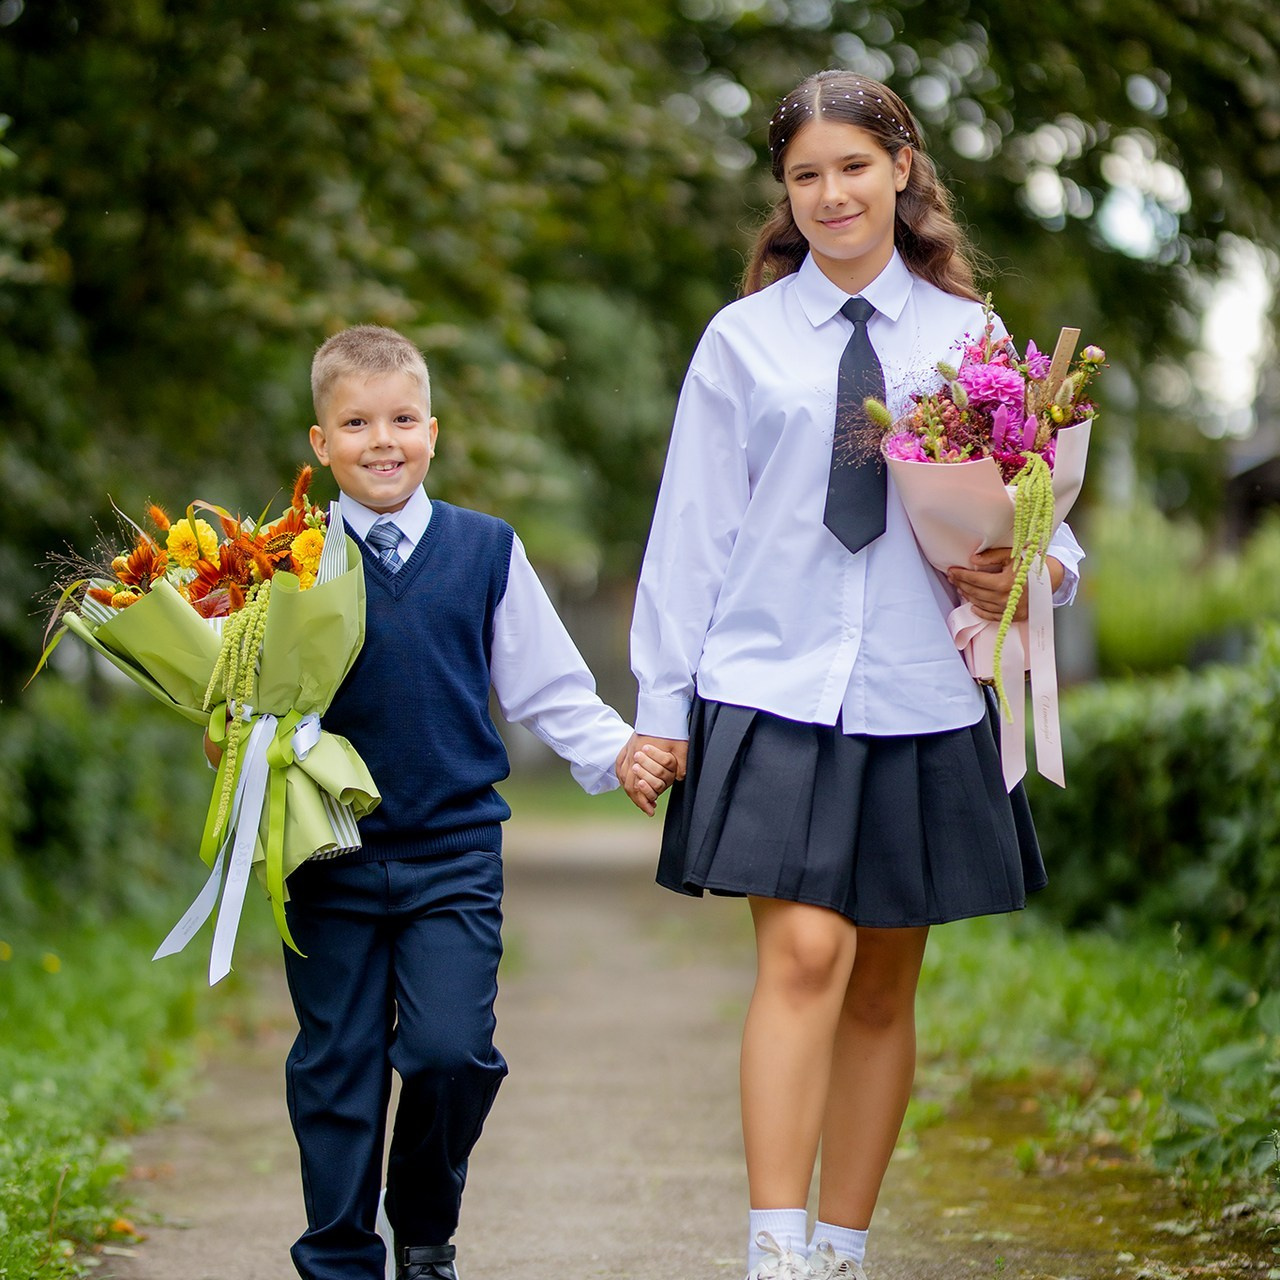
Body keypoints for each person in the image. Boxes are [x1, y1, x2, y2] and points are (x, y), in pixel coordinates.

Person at [621, 70, 1085, 1280]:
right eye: (804, 176)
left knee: (881, 983)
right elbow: (690, 531)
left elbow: (1038, 504)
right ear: (783, 193)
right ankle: (774, 1249)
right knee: (805, 957)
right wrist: (661, 709)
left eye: (852, 168)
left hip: (918, 692)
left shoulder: (968, 338)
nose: (831, 194)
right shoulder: (740, 341)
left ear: (900, 170)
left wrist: (1030, 566)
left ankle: (840, 1250)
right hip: (770, 687)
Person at [280, 324, 676, 1280]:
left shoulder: (485, 550)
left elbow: (546, 686)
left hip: (451, 856)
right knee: (336, 1069)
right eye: (356, 423)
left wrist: (618, 751)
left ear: (433, 430)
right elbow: (252, 697)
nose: (382, 440)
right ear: (321, 443)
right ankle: (340, 1261)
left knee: (451, 1052)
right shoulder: (286, 560)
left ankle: (424, 1232)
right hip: (326, 856)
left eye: (402, 419)